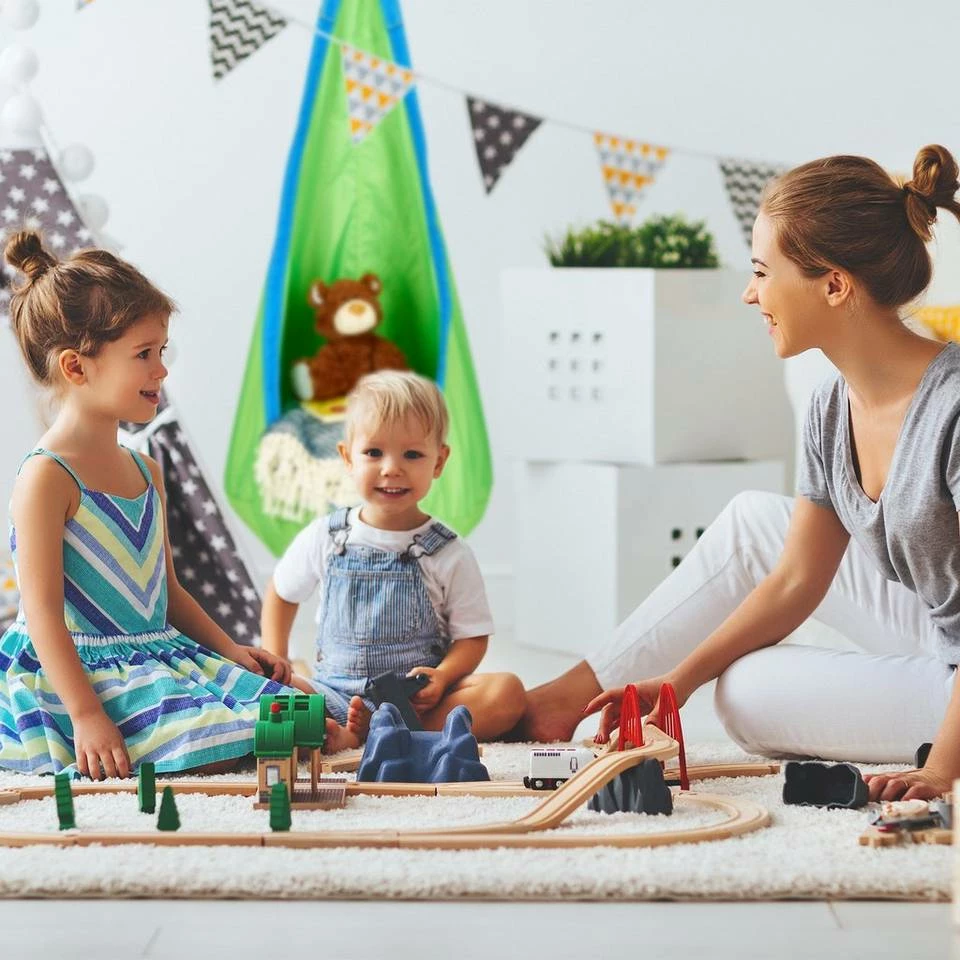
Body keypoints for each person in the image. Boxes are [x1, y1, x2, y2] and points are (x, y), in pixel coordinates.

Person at [522, 144, 960, 803]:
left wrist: (941, 771)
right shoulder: (829, 406)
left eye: (762, 271)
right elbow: (795, 580)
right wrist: (675, 683)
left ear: (834, 285)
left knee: (750, 696)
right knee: (741, 683)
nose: (750, 292)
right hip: (936, 628)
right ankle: (573, 693)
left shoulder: (952, 411)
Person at [0, 230, 301, 780]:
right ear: (76, 367)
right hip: (75, 673)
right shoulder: (47, 477)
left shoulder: (146, 471)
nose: (161, 370)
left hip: (152, 657)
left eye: (161, 351)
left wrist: (230, 649)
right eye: (144, 354)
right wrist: (87, 715)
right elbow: (43, 615)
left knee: (298, 710)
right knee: (222, 742)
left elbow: (168, 590)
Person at [261, 370, 525, 745]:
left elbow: (473, 638)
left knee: (507, 693)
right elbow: (281, 593)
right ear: (347, 458)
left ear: (439, 461)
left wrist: (444, 677)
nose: (391, 468)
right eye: (373, 453)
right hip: (335, 695)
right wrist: (277, 661)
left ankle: (381, 735)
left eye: (412, 454)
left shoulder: (448, 552)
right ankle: (353, 733)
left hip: (415, 703)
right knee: (272, 702)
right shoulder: (327, 536)